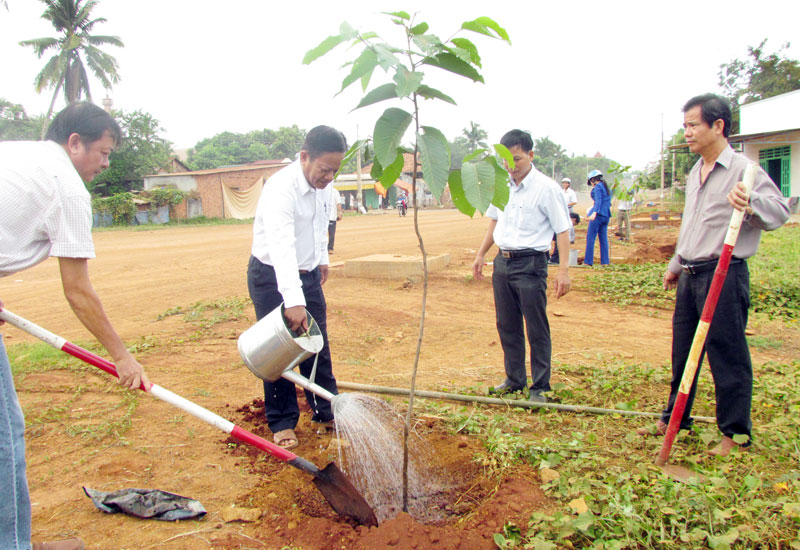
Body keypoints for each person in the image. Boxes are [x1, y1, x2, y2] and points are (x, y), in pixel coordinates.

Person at [0, 102, 151, 550]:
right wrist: (122, 356)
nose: (106, 164)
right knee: (6, 437)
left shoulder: (19, 154)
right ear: (74, 143)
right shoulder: (65, 187)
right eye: (103, 153)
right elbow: (78, 291)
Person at [638, 94, 789, 456]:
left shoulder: (743, 170)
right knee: (682, 350)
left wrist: (750, 204)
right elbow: (693, 224)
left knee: (727, 353)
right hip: (691, 274)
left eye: (693, 125)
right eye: (686, 125)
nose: (686, 132)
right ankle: (676, 416)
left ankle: (734, 433)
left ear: (717, 126)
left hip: (723, 274)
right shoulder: (695, 171)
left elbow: (780, 211)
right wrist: (676, 264)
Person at [247, 125, 347, 449]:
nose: (329, 176)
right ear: (304, 157)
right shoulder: (281, 189)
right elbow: (281, 246)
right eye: (324, 169)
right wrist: (292, 299)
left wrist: (321, 260)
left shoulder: (325, 189)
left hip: (306, 274)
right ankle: (282, 420)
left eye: (335, 170)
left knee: (317, 343)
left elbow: (320, 227)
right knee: (279, 349)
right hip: (270, 275)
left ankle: (325, 409)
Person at [471, 130, 571, 403]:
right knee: (507, 325)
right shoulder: (502, 185)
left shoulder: (547, 188)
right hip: (503, 264)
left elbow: (562, 230)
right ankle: (515, 381)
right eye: (506, 160)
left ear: (531, 155)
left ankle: (540, 387)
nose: (511, 165)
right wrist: (481, 254)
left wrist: (563, 270)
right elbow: (494, 222)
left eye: (516, 159)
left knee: (536, 327)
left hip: (531, 265)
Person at [583, 170, 611, 266]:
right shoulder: (605, 187)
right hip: (606, 215)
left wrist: (594, 213)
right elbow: (606, 203)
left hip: (598, 216)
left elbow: (598, 201)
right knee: (603, 239)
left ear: (593, 179)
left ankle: (588, 261)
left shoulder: (598, 187)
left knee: (590, 238)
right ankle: (605, 262)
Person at [549, 177, 578, 264]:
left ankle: (557, 258)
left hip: (567, 210)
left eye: (566, 183)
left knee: (563, 230)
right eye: (564, 183)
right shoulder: (561, 191)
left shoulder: (571, 192)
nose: (565, 185)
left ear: (569, 184)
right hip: (560, 211)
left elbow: (574, 202)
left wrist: (566, 204)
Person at [327, 185, 343, 253]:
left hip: (331, 217)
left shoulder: (335, 191)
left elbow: (338, 203)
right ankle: (328, 248)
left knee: (329, 234)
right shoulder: (334, 191)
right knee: (331, 233)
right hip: (325, 217)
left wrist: (340, 213)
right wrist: (340, 213)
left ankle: (329, 248)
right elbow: (338, 204)